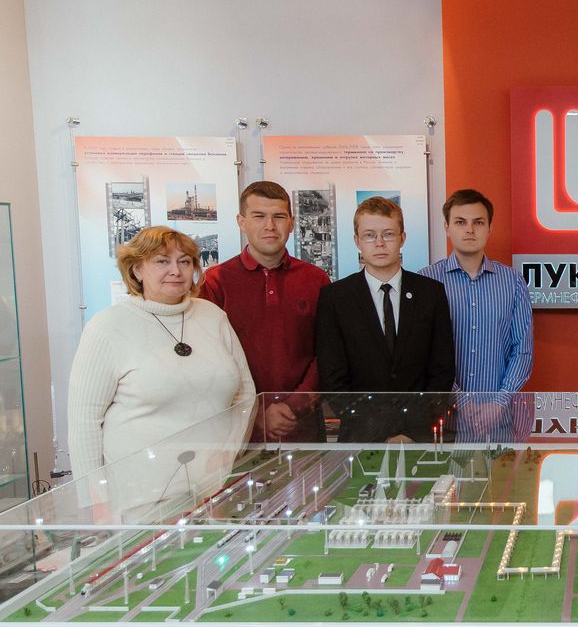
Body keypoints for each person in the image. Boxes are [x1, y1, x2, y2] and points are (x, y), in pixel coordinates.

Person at [68, 226, 254, 627]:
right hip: (138, 490)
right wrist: (94, 500)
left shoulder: (211, 317)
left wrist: (226, 458)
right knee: (143, 593)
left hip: (209, 487)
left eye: (184, 261)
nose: (175, 271)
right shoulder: (109, 327)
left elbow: (246, 393)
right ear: (136, 270)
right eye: (161, 262)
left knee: (200, 583)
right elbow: (83, 421)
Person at [316, 196, 454, 443]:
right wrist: (377, 432)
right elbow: (333, 379)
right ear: (357, 240)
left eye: (388, 234)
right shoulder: (335, 298)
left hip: (418, 436)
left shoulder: (431, 293)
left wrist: (411, 431)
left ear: (402, 238)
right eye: (370, 235)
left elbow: (442, 371)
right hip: (360, 437)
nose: (379, 243)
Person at [200, 181, 330, 443]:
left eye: (279, 217)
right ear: (241, 222)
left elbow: (328, 353)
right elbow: (208, 360)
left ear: (292, 223)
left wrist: (294, 405)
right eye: (259, 216)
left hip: (303, 426)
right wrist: (256, 411)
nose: (270, 226)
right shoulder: (215, 282)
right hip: (238, 432)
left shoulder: (316, 279)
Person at [418, 189, 533, 442]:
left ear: (490, 228)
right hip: (443, 422)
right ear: (447, 228)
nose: (470, 230)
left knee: (501, 471)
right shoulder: (425, 281)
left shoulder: (513, 282)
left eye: (478, 222)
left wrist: (499, 402)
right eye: (461, 222)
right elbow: (422, 352)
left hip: (501, 421)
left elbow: (522, 351)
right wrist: (461, 401)